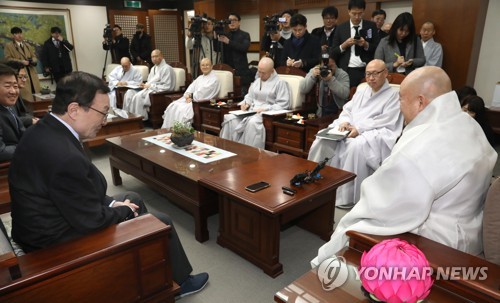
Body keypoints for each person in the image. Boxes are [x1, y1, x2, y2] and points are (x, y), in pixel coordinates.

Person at [8, 71, 209, 298]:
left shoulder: (43, 129)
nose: (104, 121)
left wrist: (115, 206)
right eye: (102, 112)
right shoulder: (63, 156)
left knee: (133, 198)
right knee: (160, 221)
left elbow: (75, 193)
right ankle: (170, 283)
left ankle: (156, 271)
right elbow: (90, 221)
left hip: (53, 217)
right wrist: (119, 210)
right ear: (74, 110)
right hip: (53, 240)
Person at [311, 66, 497, 267]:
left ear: (420, 102)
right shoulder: (470, 125)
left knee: (351, 234)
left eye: (401, 99)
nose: (399, 106)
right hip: (471, 234)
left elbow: (378, 210)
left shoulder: (420, 147)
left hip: (435, 245)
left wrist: (326, 253)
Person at [307, 59, 403, 208]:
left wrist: (359, 129)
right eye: (368, 74)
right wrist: (344, 122)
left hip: (375, 131)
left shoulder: (394, 95)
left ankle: (346, 197)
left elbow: (386, 120)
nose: (371, 78)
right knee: (322, 139)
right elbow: (347, 110)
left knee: (355, 146)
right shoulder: (361, 89)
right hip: (350, 128)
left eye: (375, 74)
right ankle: (315, 184)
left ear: (385, 73)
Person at [219, 57, 291, 148]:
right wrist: (246, 103)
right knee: (230, 118)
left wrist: (266, 109)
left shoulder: (280, 83)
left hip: (265, 114)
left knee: (252, 123)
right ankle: (228, 148)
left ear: (272, 71)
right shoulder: (257, 81)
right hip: (251, 111)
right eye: (259, 71)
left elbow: (283, 105)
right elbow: (250, 96)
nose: (260, 75)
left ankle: (248, 153)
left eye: (263, 73)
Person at [331, 0, 380, 87]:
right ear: (349, 11)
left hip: (367, 70)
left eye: (360, 13)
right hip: (347, 69)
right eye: (354, 13)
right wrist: (344, 45)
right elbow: (333, 52)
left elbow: (377, 48)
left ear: (364, 11)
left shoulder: (371, 26)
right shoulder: (340, 28)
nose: (357, 17)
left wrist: (365, 44)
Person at [161, 58, 220, 129]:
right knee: (173, 106)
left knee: (182, 110)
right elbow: (191, 87)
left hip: (201, 102)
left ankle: (182, 133)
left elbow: (203, 93)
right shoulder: (200, 77)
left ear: (211, 66)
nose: (205, 67)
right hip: (192, 99)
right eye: (203, 65)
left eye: (207, 65)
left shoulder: (214, 79)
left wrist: (191, 97)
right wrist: (187, 95)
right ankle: (170, 130)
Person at [122, 49, 175, 120]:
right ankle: (128, 117)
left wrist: (150, 86)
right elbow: (149, 82)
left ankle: (140, 119)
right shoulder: (153, 68)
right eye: (152, 57)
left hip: (158, 93)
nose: (154, 59)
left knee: (138, 96)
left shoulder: (167, 68)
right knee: (129, 93)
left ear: (161, 56)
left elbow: (167, 87)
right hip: (150, 89)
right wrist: (144, 85)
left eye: (156, 56)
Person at [215, 13, 252, 94]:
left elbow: (244, 48)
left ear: (239, 22)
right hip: (227, 70)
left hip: (241, 71)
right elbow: (217, 49)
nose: (232, 22)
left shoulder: (245, 35)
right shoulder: (225, 35)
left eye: (234, 20)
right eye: (230, 20)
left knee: (242, 95)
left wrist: (228, 42)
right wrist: (215, 38)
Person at [3, 27, 41, 101]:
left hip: (31, 72)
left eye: (20, 33)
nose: (19, 35)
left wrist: (32, 61)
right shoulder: (9, 46)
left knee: (36, 92)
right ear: (12, 35)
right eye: (17, 34)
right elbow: (7, 59)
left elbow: (34, 57)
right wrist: (21, 61)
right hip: (20, 73)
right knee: (25, 94)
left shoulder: (27, 45)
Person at [0, 64, 25, 162]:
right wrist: (28, 147)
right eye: (7, 86)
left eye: (15, 86)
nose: (13, 91)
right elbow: (1, 152)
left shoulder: (8, 105)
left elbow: (22, 132)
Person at [4, 60, 39, 127]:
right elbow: (11, 118)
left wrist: (33, 119)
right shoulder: (6, 96)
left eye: (25, 76)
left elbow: (24, 113)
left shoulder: (18, 92)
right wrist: (30, 120)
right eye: (21, 77)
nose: (24, 80)